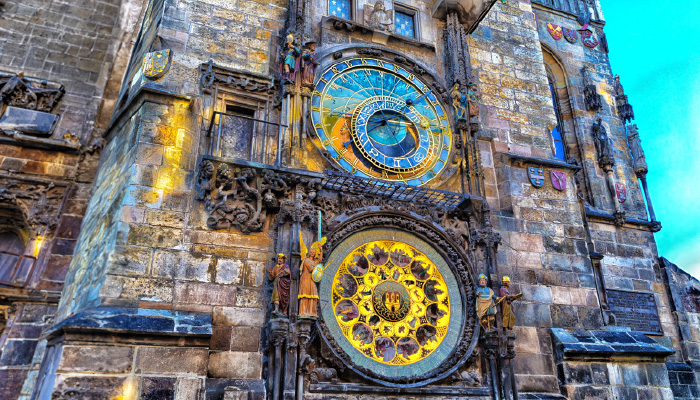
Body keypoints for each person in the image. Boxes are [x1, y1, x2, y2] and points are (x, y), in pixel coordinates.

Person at [299, 236, 327, 318]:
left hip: (312, 279)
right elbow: (311, 269)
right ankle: (303, 311)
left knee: (313, 293)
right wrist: (319, 270)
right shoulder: (306, 260)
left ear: (315, 254)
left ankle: (312, 312)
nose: (312, 253)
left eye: (313, 252)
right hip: (306, 278)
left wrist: (321, 250)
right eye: (311, 252)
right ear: (309, 253)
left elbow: (320, 260)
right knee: (305, 294)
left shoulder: (315, 261)